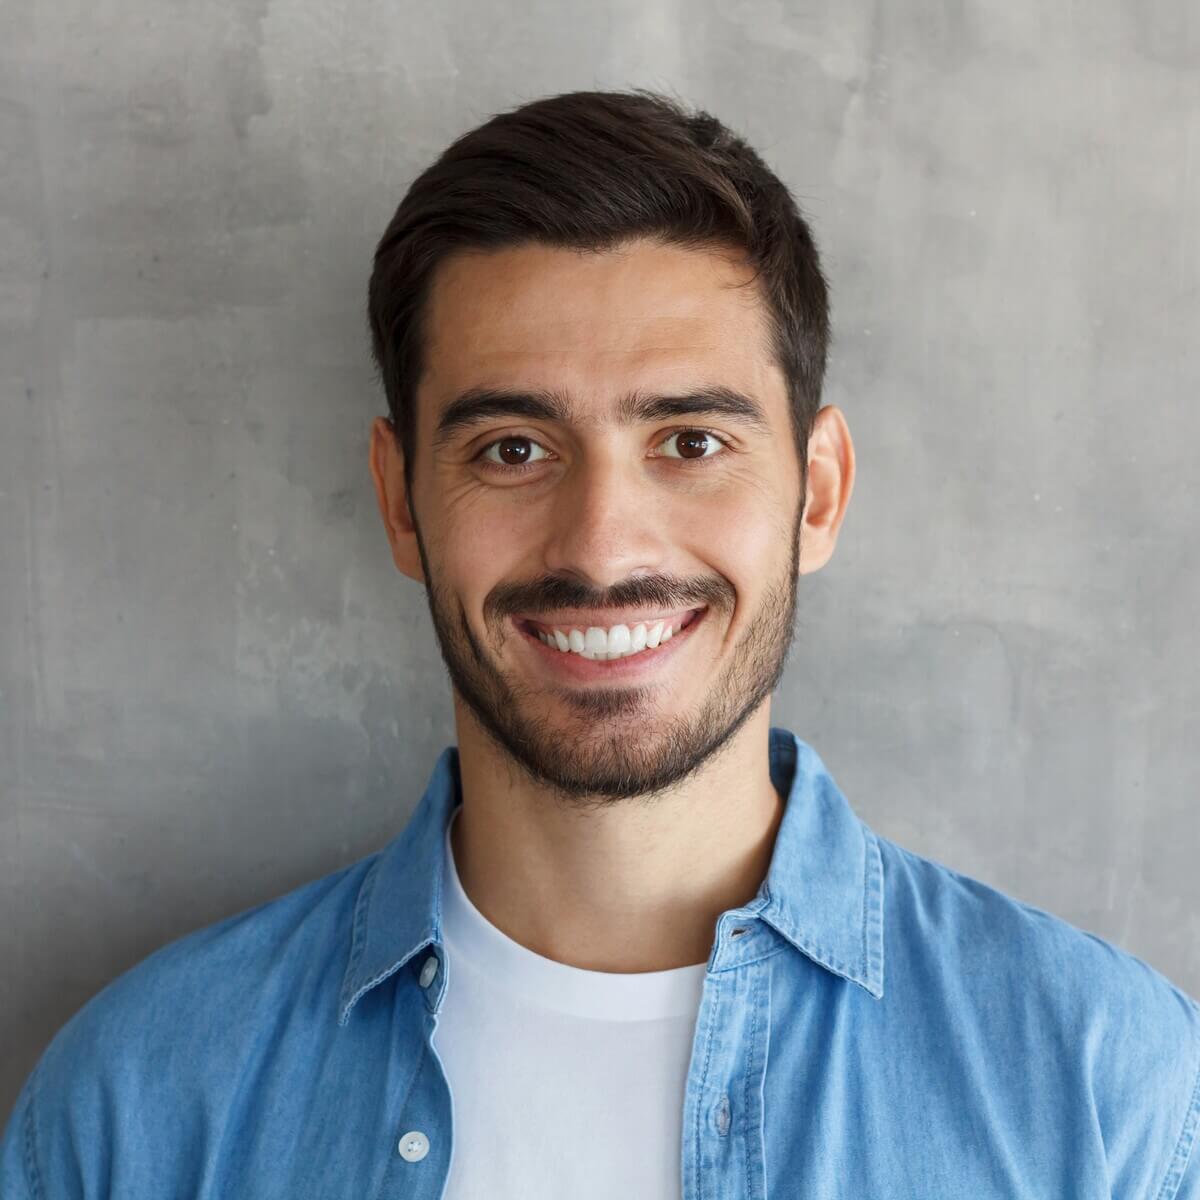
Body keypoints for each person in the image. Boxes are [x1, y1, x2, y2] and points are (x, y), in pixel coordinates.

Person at [3, 87, 1197, 1199]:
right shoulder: (139, 1107)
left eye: (689, 441)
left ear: (818, 493)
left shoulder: (1110, 1093)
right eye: (513, 448)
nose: (603, 544)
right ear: (402, 500)